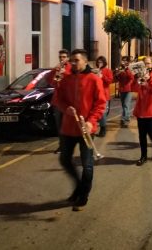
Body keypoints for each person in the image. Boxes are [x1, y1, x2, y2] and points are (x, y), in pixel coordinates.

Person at [54, 49, 106, 211]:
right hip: (68, 127)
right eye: (72, 60)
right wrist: (65, 108)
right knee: (64, 160)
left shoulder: (93, 79)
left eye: (76, 60)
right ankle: (79, 186)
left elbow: (100, 103)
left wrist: (91, 121)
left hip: (86, 129)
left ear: (85, 61)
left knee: (87, 165)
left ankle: (83, 195)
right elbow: (57, 98)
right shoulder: (66, 78)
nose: (73, 63)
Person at [132, 56, 152, 165]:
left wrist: (149, 79)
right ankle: (143, 156)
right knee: (141, 135)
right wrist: (136, 79)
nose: (147, 65)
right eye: (145, 63)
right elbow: (134, 89)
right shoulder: (139, 76)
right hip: (141, 110)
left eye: (149, 63)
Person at [48, 49, 73, 153]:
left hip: (67, 101)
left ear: (67, 58)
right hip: (57, 101)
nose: (62, 59)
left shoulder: (71, 68)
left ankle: (68, 145)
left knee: (67, 125)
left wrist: (65, 73)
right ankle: (62, 145)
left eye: (63, 57)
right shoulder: (57, 68)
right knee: (59, 125)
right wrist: (55, 71)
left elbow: (73, 81)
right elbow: (51, 82)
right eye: (60, 57)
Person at [95, 56, 113, 137]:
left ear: (104, 63)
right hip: (96, 95)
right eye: (98, 62)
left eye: (101, 62)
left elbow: (109, 81)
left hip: (104, 95)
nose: (99, 64)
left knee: (103, 113)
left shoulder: (108, 71)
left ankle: (103, 129)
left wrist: (103, 77)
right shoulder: (95, 71)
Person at [114, 56, 134, 128]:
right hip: (122, 89)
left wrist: (126, 69)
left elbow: (131, 77)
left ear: (128, 62)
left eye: (126, 60)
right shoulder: (120, 68)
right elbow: (117, 79)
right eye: (123, 60)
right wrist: (117, 74)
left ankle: (126, 120)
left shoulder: (130, 68)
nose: (124, 62)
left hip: (128, 89)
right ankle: (124, 118)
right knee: (123, 105)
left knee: (126, 105)